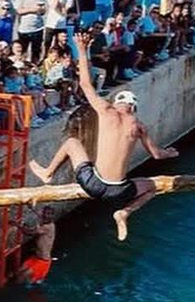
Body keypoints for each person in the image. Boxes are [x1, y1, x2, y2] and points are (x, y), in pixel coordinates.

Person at [28, 38, 178, 241]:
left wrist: (82, 49)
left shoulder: (106, 110)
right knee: (152, 187)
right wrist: (170, 152)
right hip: (120, 191)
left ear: (117, 103)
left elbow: (84, 83)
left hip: (93, 184)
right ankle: (124, 212)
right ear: (133, 108)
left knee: (72, 143)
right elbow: (157, 155)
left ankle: (47, 173)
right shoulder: (138, 126)